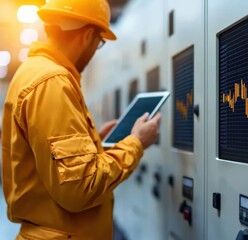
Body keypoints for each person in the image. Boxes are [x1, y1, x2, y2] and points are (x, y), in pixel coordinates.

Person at [1, 0, 161, 239]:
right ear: (88, 36)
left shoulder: (34, 73)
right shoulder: (52, 82)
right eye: (100, 43)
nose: (96, 48)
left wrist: (93, 143)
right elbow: (80, 188)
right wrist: (135, 143)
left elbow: (44, 157)